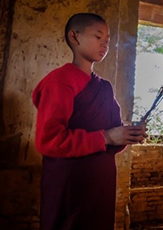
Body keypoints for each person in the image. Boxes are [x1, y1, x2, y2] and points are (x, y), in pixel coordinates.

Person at [32, 13, 147, 229]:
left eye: (107, 40)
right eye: (98, 36)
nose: (104, 44)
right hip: (70, 182)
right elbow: (49, 140)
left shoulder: (104, 87)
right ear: (74, 37)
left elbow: (113, 135)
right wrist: (106, 136)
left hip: (100, 183)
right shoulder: (60, 81)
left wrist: (127, 134)